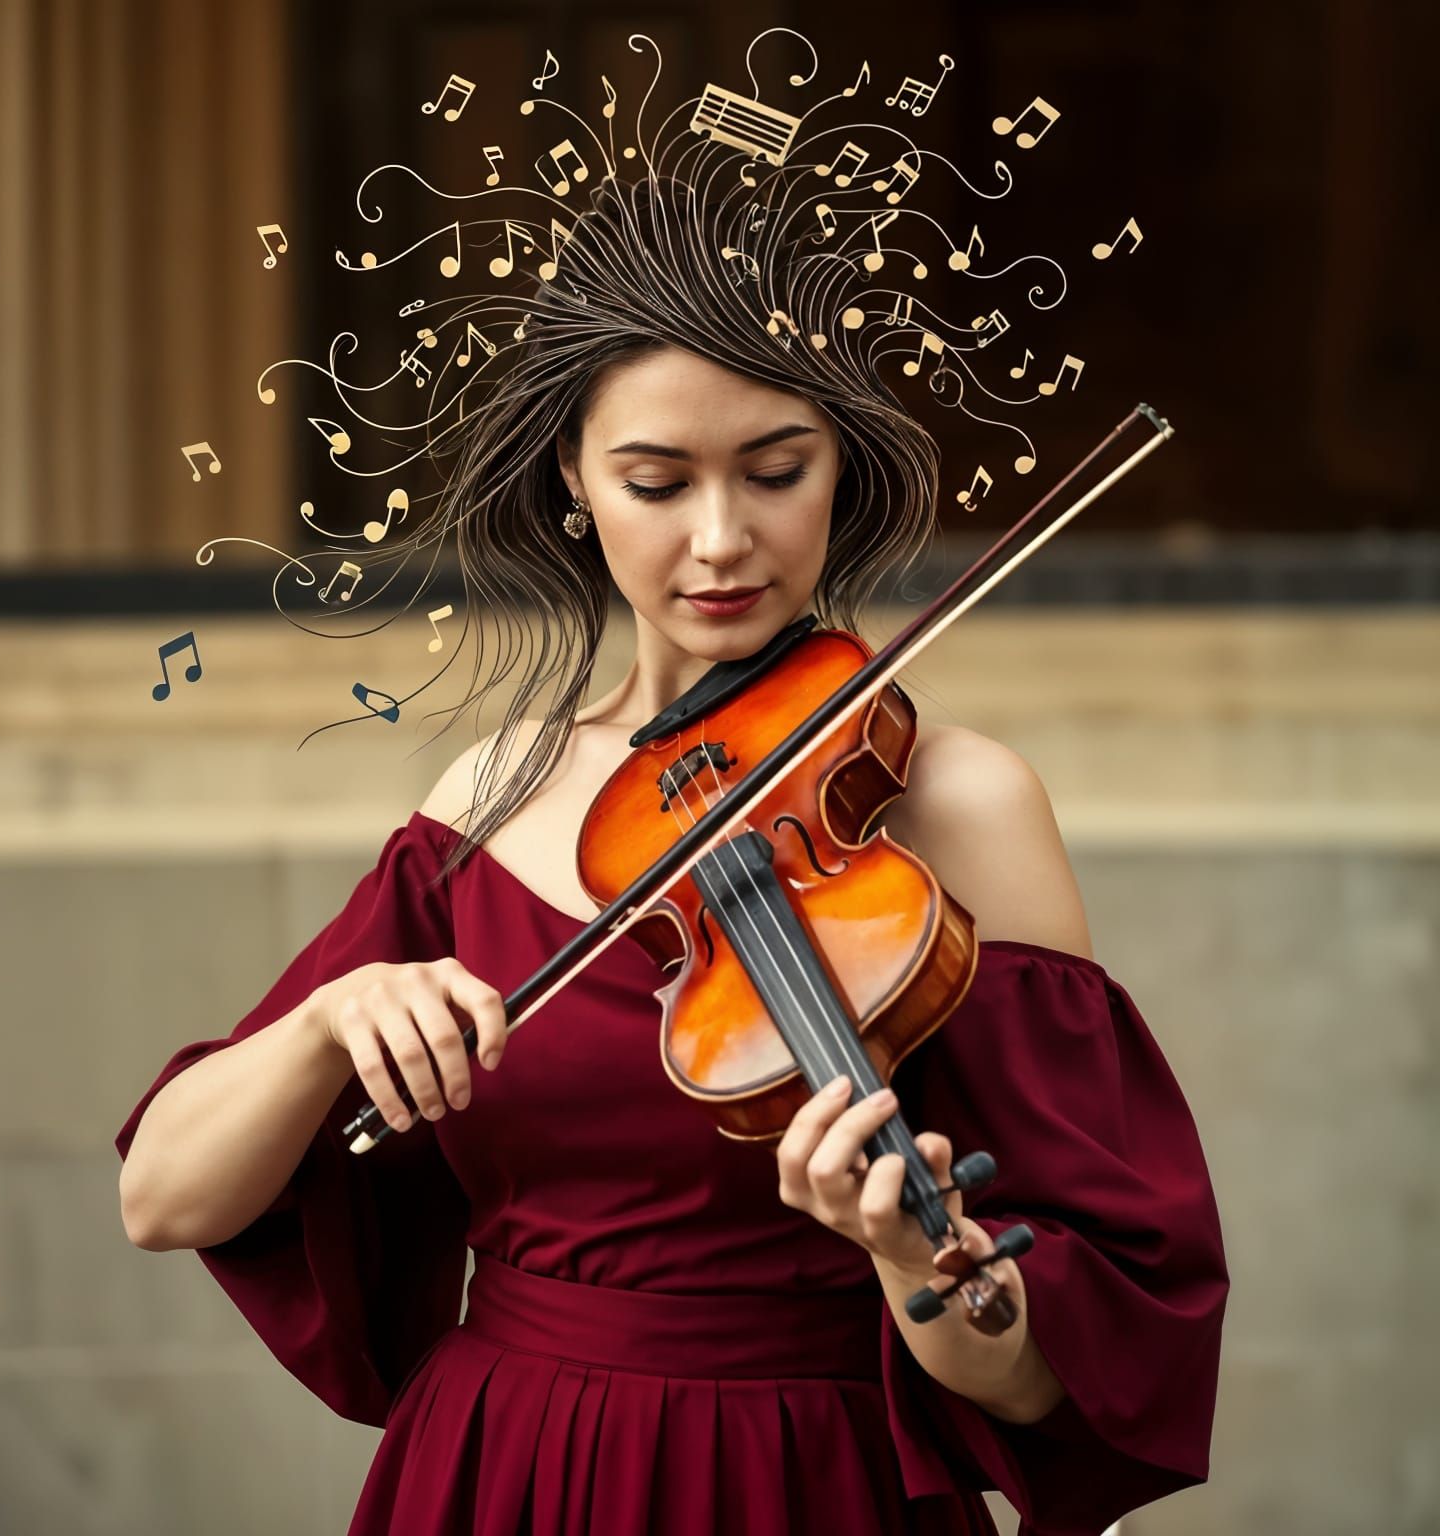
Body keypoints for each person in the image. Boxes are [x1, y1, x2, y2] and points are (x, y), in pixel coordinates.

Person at [116, 157, 1228, 1535]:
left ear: (843, 467)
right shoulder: (493, 797)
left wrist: (906, 1256)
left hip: (811, 1480)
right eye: (656, 481)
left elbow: (1045, 1374)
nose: (721, 541)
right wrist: (328, 1023)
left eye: (776, 471)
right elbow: (162, 1197)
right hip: (505, 1466)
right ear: (575, 481)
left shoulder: (955, 804)